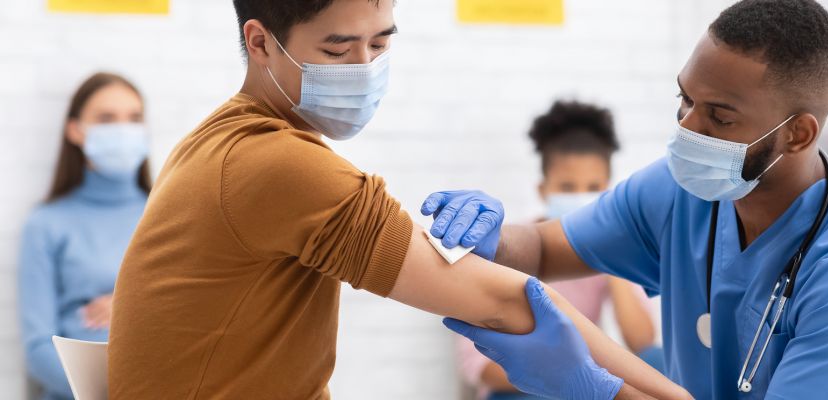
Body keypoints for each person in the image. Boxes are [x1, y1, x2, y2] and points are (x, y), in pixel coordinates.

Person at [105, 1, 687, 399]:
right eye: (338, 51)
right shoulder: (276, 164)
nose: (365, 69)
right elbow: (509, 299)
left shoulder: (216, 143)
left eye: (379, 43)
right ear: (260, 42)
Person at [426, 0, 828, 398]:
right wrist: (491, 235)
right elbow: (541, 250)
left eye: (719, 117)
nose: (686, 130)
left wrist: (595, 387)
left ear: (798, 135)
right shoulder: (683, 193)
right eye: (685, 99)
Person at [457, 100, 664, 399]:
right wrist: (562, 374)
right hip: (520, 387)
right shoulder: (507, 249)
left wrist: (609, 259)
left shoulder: (609, 250)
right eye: (567, 187)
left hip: (582, 385)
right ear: (543, 189)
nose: (581, 197)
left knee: (657, 362)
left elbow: (642, 342)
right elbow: (477, 368)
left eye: (593, 187)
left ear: (608, 191)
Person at [19, 72, 151, 400]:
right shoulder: (47, 224)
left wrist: (127, 305)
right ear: (76, 130)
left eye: (134, 118)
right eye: (106, 118)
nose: (123, 130)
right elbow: (38, 348)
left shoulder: (171, 215)